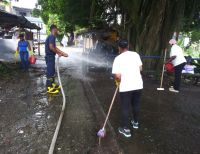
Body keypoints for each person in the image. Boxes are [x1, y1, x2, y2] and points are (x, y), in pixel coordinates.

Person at [112, 39, 143, 138]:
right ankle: (135, 122)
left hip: (126, 86)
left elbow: (117, 76)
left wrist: (117, 81)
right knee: (136, 104)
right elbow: (140, 68)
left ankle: (126, 129)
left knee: (125, 107)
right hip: (138, 85)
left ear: (119, 48)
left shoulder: (118, 58)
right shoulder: (135, 54)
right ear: (128, 46)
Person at [45, 24, 68, 94]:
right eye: (57, 29)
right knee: (50, 72)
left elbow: (55, 47)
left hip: (50, 56)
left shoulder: (51, 36)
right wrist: (59, 53)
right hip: (50, 56)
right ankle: (49, 88)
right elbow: (51, 47)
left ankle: (52, 85)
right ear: (54, 29)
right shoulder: (52, 36)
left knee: (52, 71)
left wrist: (62, 53)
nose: (57, 30)